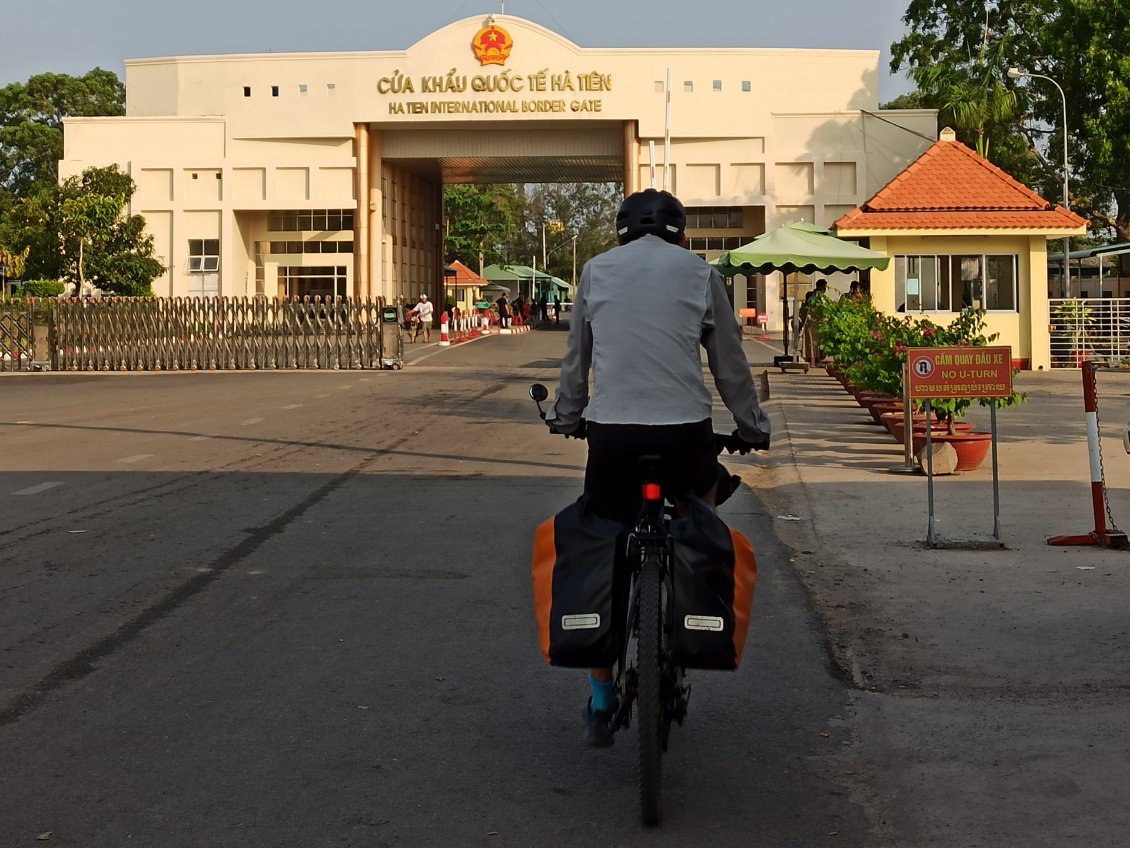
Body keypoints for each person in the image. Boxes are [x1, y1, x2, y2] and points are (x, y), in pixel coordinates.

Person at [543, 188, 771, 746]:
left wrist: (566, 416)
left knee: (602, 531)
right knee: (703, 498)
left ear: (621, 230)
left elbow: (577, 363)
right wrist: (752, 428)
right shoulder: (699, 273)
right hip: (684, 437)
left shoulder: (595, 272)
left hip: (614, 436)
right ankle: (691, 609)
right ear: (680, 232)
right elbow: (729, 363)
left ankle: (600, 697)